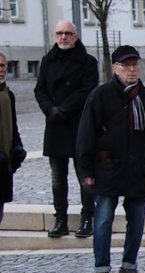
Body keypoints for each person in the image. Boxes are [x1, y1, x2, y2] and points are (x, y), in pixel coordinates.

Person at [76, 46, 145, 273]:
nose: (132, 70)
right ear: (115, 68)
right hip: (108, 168)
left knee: (137, 220)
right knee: (103, 220)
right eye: (126, 65)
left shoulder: (144, 97)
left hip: (138, 169)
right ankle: (102, 270)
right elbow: (85, 135)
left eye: (135, 65)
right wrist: (86, 171)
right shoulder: (100, 95)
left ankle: (129, 266)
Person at [34, 21, 99, 239]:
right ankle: (60, 219)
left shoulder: (88, 62)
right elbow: (40, 89)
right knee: (58, 178)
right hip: (55, 125)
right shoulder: (47, 61)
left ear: (75, 36)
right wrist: (49, 109)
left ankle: (88, 217)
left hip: (79, 124)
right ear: (55, 36)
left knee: (85, 175)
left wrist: (63, 109)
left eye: (68, 33)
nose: (63, 37)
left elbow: (87, 90)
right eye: (60, 33)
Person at [0, 51, 27, 273]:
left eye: (3, 66)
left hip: (3, 167)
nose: (1, 70)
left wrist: (17, 148)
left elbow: (13, 126)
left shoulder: (8, 94)